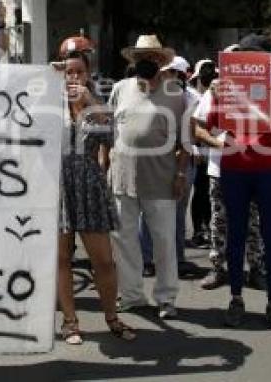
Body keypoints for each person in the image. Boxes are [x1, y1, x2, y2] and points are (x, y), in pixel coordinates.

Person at [196, 35, 271, 332]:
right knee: (236, 234)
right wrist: (216, 94)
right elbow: (214, 124)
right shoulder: (228, 85)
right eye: (243, 55)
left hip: (270, 170)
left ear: (267, 59)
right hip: (235, 168)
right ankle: (236, 298)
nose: (247, 61)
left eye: (253, 55)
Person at [55, 50, 135, 344]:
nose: (73, 77)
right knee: (62, 259)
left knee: (102, 260)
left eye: (79, 71)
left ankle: (112, 317)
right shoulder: (50, 105)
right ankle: (70, 321)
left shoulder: (94, 104)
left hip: (90, 186)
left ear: (88, 75)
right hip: (58, 188)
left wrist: (88, 101)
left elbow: (112, 135)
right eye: (68, 71)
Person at [109, 35, 188, 319]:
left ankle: (166, 297)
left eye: (153, 58)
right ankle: (131, 296)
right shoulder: (120, 89)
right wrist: (107, 165)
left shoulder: (176, 94)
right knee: (124, 239)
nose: (147, 62)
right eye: (142, 58)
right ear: (135, 61)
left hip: (161, 179)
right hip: (122, 178)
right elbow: (110, 133)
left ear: (161, 62)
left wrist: (180, 173)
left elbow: (185, 141)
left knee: (164, 241)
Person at [193, 69, 265, 291]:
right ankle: (218, 268)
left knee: (253, 222)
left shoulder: (263, 90)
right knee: (219, 221)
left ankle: (255, 269)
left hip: (254, 167)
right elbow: (198, 127)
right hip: (220, 169)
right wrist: (218, 144)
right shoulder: (215, 90)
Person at [140, 56, 198, 279]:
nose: (167, 76)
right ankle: (147, 259)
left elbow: (190, 132)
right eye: (165, 72)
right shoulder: (147, 92)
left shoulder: (187, 97)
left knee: (177, 215)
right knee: (147, 215)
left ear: (182, 76)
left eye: (173, 73)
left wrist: (181, 164)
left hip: (181, 162)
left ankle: (177, 259)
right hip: (155, 164)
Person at [189, 59, 218, 248]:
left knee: (211, 194)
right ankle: (198, 229)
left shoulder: (216, 92)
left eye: (212, 73)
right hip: (199, 150)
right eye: (205, 73)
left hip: (215, 151)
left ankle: (209, 227)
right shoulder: (191, 96)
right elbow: (191, 124)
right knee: (200, 192)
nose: (209, 77)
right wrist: (193, 148)